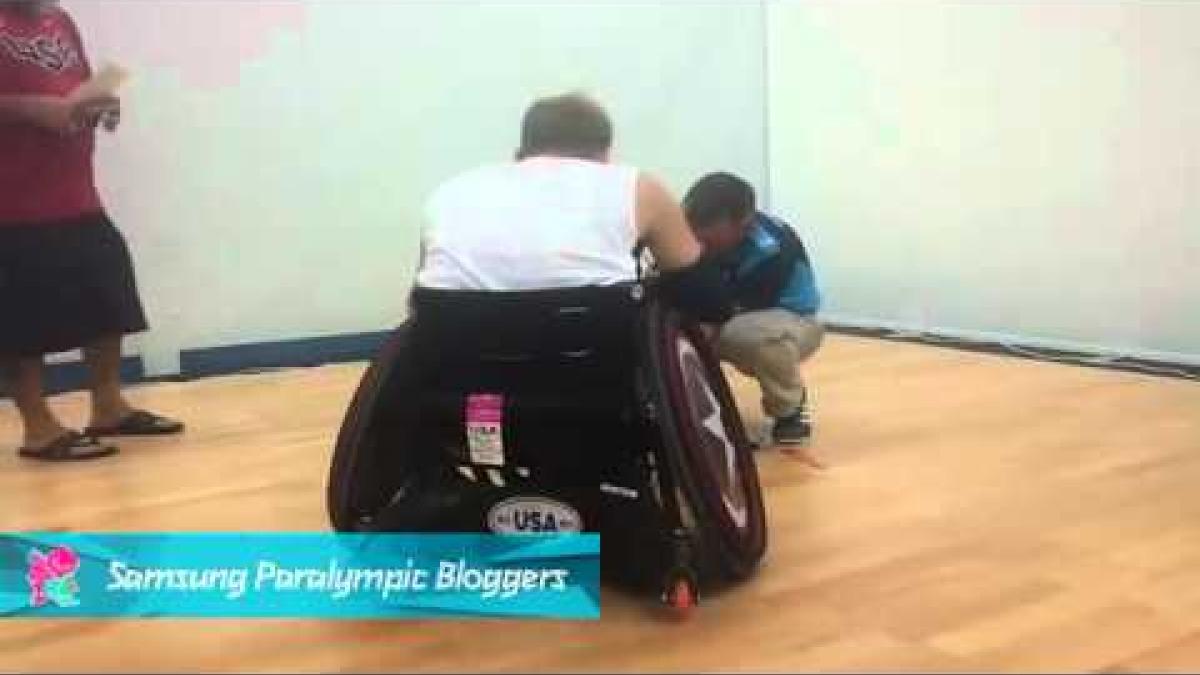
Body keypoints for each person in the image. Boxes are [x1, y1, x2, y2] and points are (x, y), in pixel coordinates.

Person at [1, 0, 183, 461]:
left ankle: (108, 407)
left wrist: (98, 102)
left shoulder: (58, 20)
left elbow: (74, 85)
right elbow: (30, 101)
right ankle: (38, 428)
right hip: (11, 200)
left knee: (107, 287)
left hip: (73, 189)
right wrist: (30, 109)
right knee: (21, 315)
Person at [416, 92, 729, 322]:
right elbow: (705, 297)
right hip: (595, 376)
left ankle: (484, 413)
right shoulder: (636, 186)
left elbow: (421, 298)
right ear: (605, 157)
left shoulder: (451, 191)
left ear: (520, 153)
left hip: (470, 379)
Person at [683, 172, 824, 447]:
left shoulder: (771, 250)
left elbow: (720, 313)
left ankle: (789, 409)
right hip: (725, 312)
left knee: (750, 338)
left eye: (709, 234)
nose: (697, 238)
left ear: (744, 224)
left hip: (788, 319)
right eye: (694, 224)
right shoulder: (684, 227)